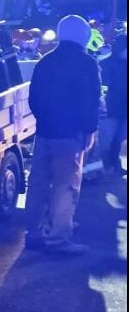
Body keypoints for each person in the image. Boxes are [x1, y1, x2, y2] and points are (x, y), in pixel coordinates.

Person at [24, 15, 102, 256]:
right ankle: (59, 237)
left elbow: (33, 99)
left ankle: (35, 232)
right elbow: (91, 102)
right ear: (83, 36)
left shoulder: (45, 62)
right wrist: (89, 130)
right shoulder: (87, 63)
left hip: (45, 132)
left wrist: (45, 121)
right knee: (65, 185)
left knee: (38, 183)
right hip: (70, 135)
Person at [100, 33, 127, 175]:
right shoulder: (106, 64)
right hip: (111, 107)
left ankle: (118, 164)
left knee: (123, 138)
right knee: (110, 138)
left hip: (121, 106)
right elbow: (103, 86)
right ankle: (108, 164)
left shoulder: (106, 63)